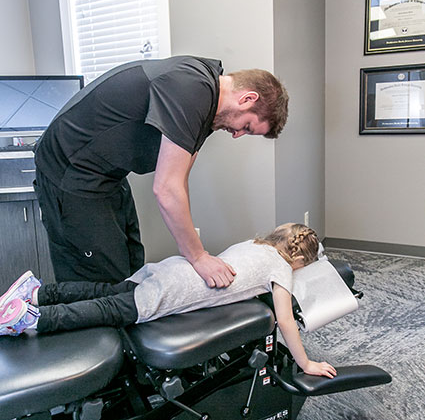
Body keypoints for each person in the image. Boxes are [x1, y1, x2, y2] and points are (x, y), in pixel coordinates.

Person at [34, 55, 289, 287]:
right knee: (99, 280)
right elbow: (166, 189)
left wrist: (192, 249)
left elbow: (179, 180)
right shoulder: (190, 88)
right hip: (70, 173)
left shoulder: (208, 106)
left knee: (131, 263)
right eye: (246, 126)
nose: (237, 135)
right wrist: (198, 256)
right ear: (247, 98)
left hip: (108, 174)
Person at [0, 223, 336, 378]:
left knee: (109, 291)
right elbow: (286, 320)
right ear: (299, 262)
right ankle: (32, 319)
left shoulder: (255, 243)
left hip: (174, 267)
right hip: (180, 290)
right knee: (112, 310)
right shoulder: (282, 269)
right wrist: (306, 364)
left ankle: (38, 293)